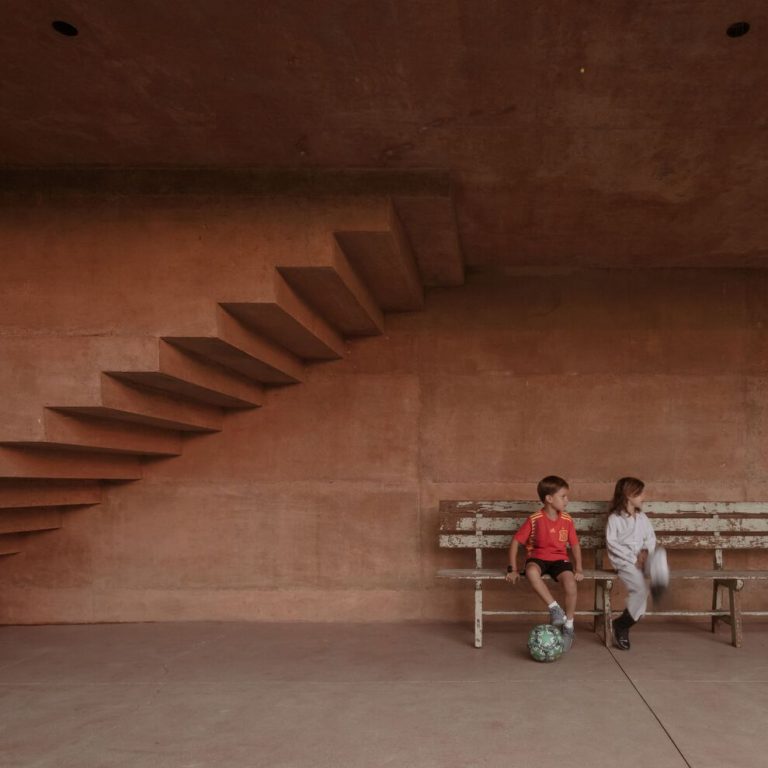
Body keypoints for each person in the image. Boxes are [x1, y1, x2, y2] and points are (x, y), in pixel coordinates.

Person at [506, 475, 583, 651]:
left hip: (559, 559)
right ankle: (554, 608)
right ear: (549, 499)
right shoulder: (534, 519)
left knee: (571, 583)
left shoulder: (567, 520)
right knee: (532, 571)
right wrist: (513, 569)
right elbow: (516, 541)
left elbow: (575, 544)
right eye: (563, 496)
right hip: (538, 557)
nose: (567, 500)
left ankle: (569, 626)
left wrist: (578, 567)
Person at [605, 476, 656, 650]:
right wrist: (633, 559)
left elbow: (650, 537)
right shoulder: (615, 519)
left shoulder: (642, 518)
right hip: (624, 562)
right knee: (642, 591)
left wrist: (645, 553)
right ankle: (621, 625)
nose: (644, 496)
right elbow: (612, 543)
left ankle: (623, 623)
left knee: (643, 595)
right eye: (640, 493)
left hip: (642, 561)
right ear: (628, 495)